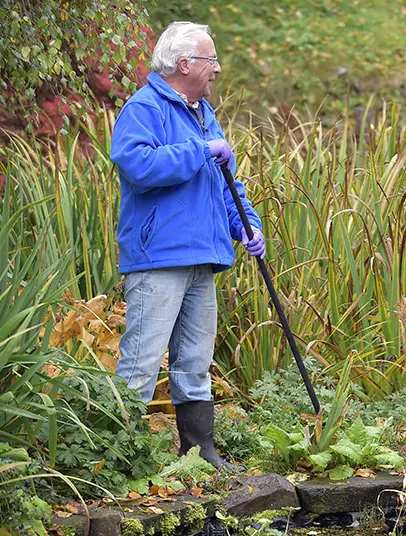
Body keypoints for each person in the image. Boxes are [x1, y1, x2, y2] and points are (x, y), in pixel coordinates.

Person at [110, 21, 266, 469]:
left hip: (204, 255)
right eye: (211, 59)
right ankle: (118, 461)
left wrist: (246, 226)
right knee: (141, 364)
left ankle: (199, 453)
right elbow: (136, 165)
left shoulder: (202, 112)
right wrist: (200, 150)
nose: (217, 69)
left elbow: (223, 184)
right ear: (184, 64)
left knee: (195, 363)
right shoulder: (143, 109)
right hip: (159, 257)